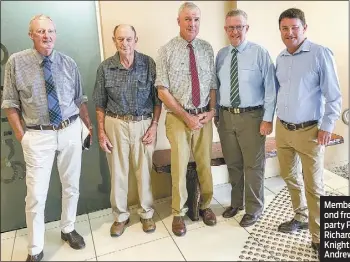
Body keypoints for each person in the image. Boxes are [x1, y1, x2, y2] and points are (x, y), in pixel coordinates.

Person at [1, 14, 93, 261]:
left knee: (71, 185)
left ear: (56, 34)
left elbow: (79, 99)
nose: (47, 36)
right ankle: (35, 249)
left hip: (70, 130)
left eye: (50, 31)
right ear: (31, 35)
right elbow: (10, 104)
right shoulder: (16, 63)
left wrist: (88, 126)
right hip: (38, 135)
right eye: (40, 32)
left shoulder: (68, 63)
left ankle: (68, 228)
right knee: (36, 195)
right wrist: (23, 137)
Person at [275, 8, 342, 258]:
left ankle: (320, 237)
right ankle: (300, 216)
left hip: (310, 131)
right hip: (283, 129)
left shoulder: (320, 53)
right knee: (289, 176)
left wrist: (327, 125)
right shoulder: (280, 57)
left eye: (294, 27)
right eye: (284, 28)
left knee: (315, 186)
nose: (289, 33)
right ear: (280, 31)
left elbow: (334, 95)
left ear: (304, 28)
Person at [92, 24, 161, 237]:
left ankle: (147, 213)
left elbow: (158, 100)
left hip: (143, 124)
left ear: (135, 39)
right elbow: (99, 103)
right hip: (115, 124)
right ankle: (120, 216)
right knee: (118, 174)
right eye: (120, 39)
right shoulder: (105, 68)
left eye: (129, 39)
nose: (125, 43)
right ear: (114, 41)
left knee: (144, 173)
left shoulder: (148, 64)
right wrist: (102, 132)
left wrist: (154, 126)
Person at [155, 1, 217, 237]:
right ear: (178, 21)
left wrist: (210, 112)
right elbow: (162, 90)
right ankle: (178, 213)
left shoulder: (207, 48)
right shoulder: (166, 50)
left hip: (203, 117)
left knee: (205, 165)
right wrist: (186, 116)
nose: (192, 23)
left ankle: (206, 206)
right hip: (178, 118)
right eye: (188, 19)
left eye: (196, 19)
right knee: (179, 167)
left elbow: (212, 85)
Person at [215, 9, 278, 227]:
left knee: (253, 165)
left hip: (252, 117)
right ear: (226, 30)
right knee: (233, 164)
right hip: (225, 117)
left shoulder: (260, 53)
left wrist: (268, 118)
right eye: (230, 27)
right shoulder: (221, 55)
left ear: (246, 28)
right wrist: (217, 115)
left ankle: (254, 208)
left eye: (239, 27)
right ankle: (236, 203)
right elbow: (218, 86)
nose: (235, 31)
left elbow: (271, 89)